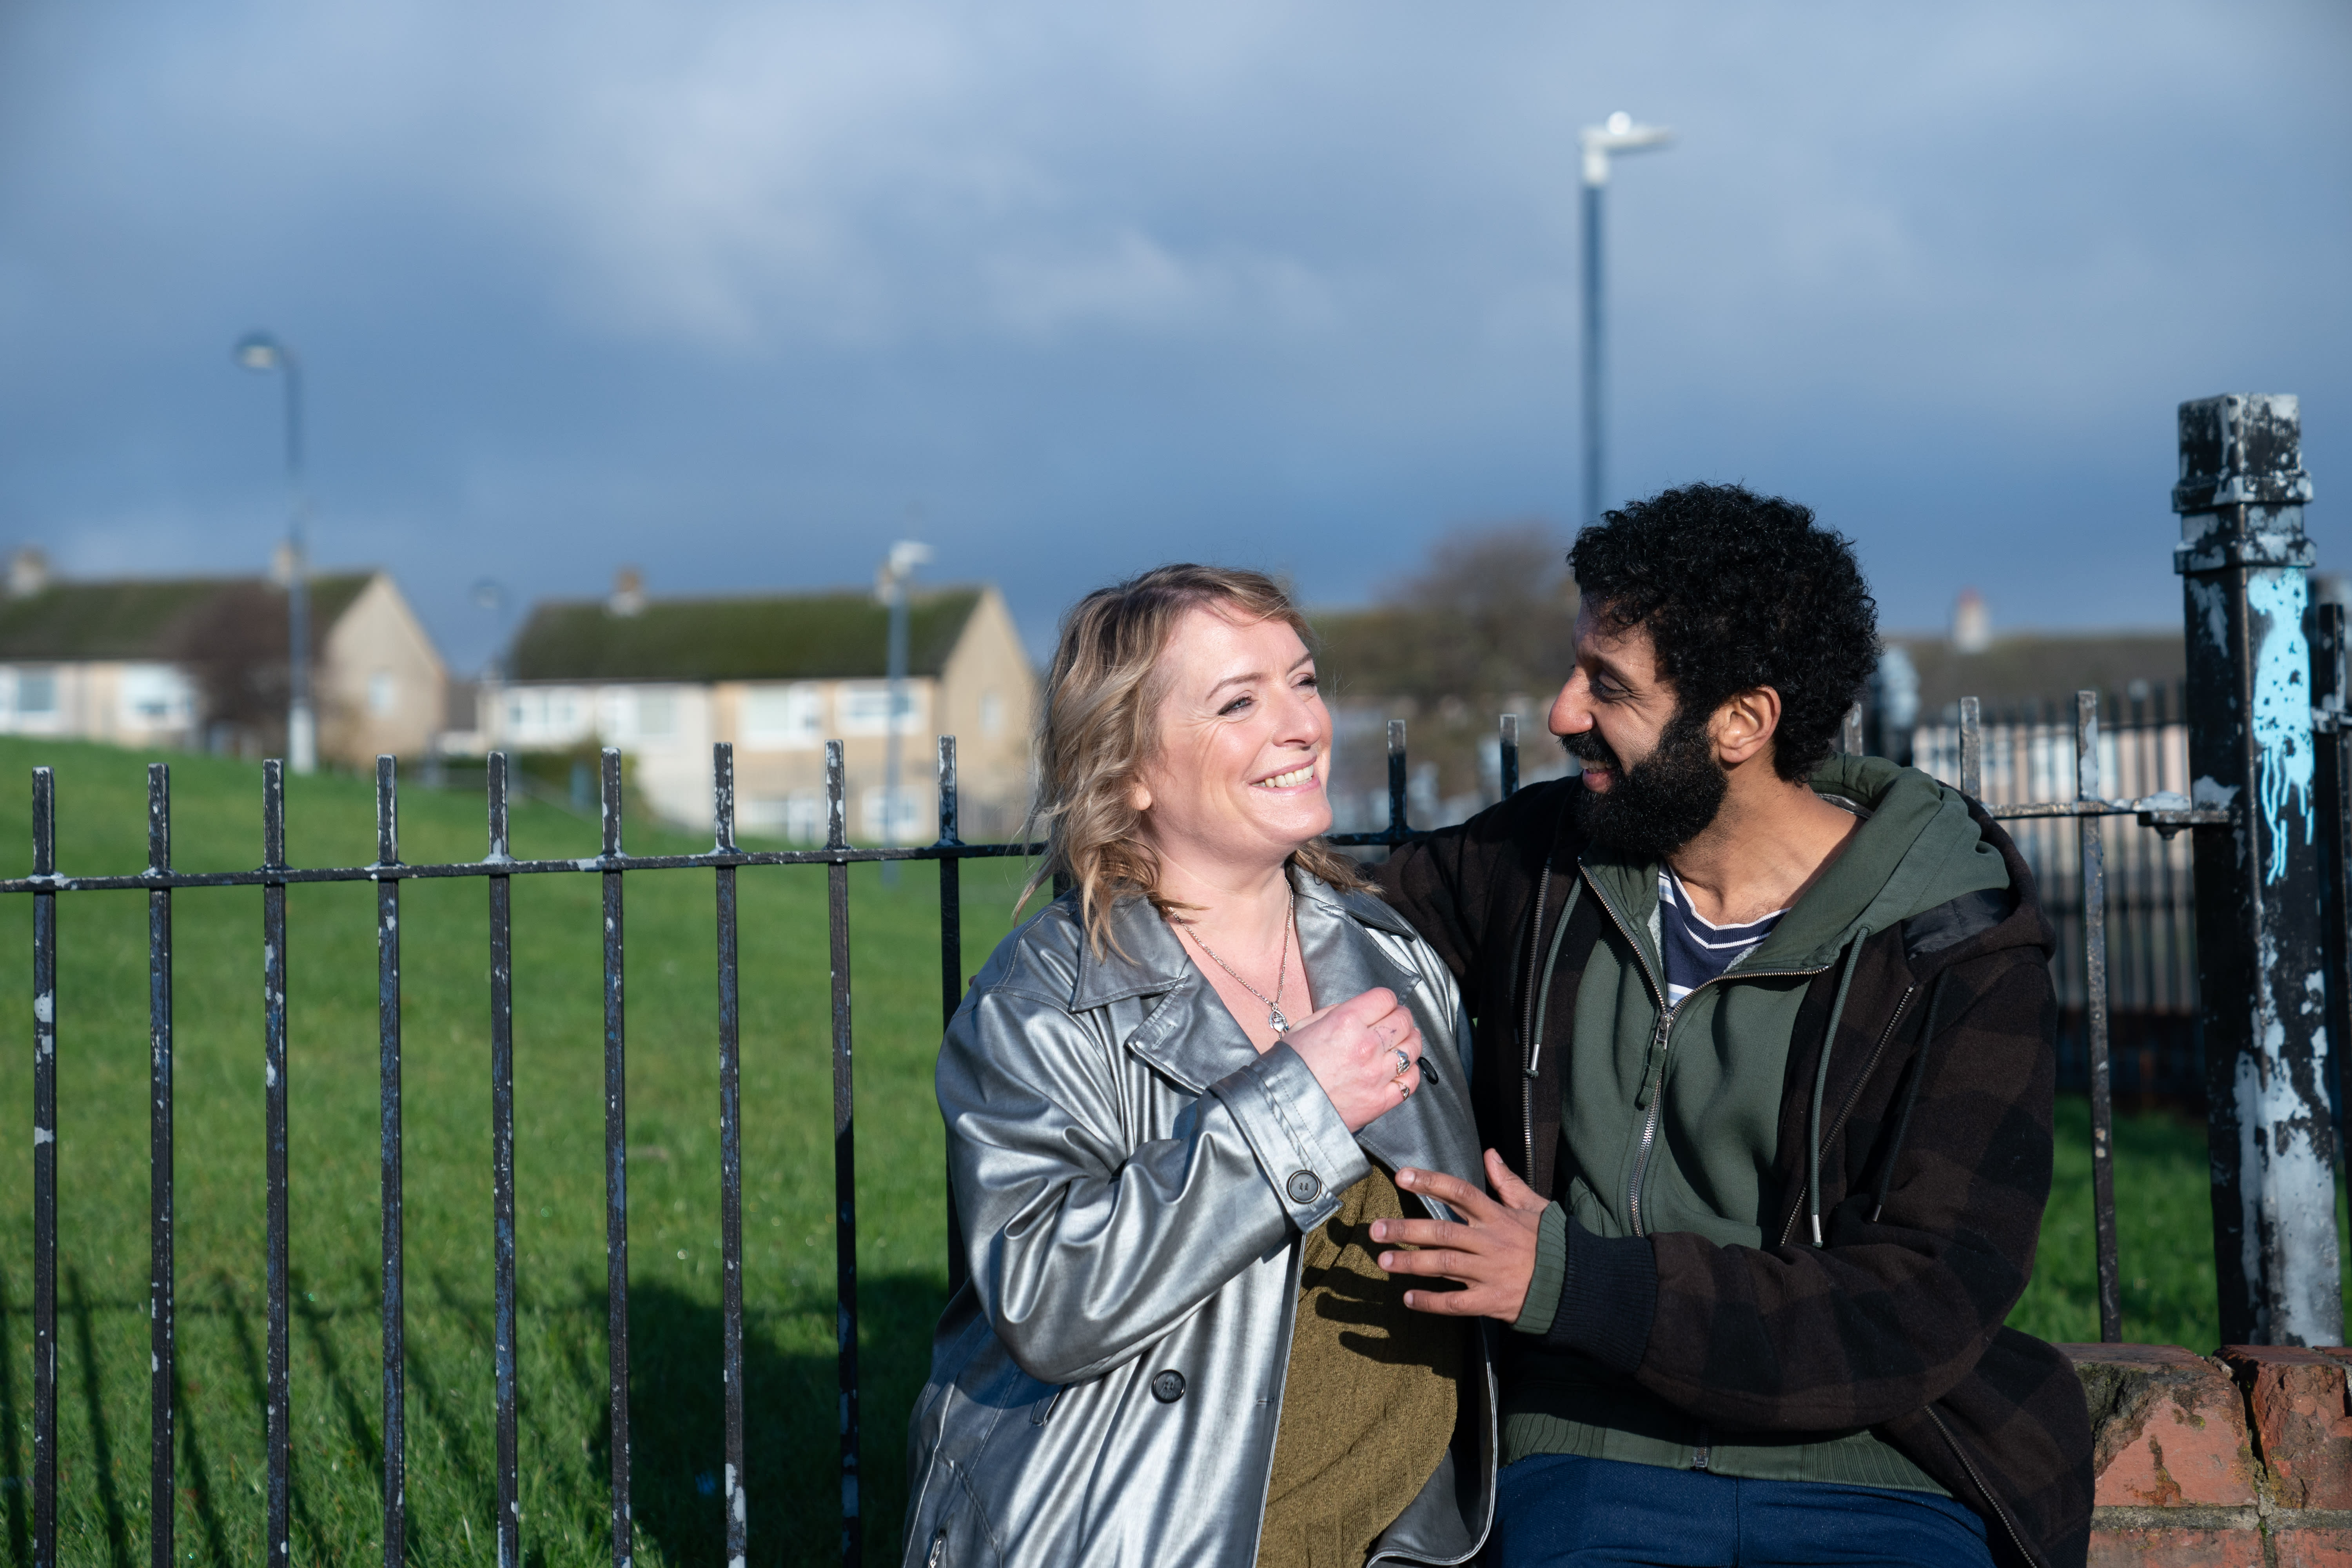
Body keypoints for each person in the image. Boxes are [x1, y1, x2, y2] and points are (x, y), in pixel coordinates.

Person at [1366, 485, 2093, 1568]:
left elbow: (1925, 1300)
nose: (1562, 713)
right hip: (1591, 1454)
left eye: (1608, 684)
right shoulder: (1542, 867)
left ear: (1742, 723)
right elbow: (1320, 931)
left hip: (1882, 1467)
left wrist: (1577, 1282)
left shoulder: (1954, 942)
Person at [902, 565, 1496, 1568]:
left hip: (1402, 1537)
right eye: (1238, 702)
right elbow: (1047, 1298)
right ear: (1129, 767)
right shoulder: (1041, 1004)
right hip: (1139, 1534)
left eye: (1303, 682)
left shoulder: (1396, 960)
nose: (1302, 724)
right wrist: (1296, 1111)